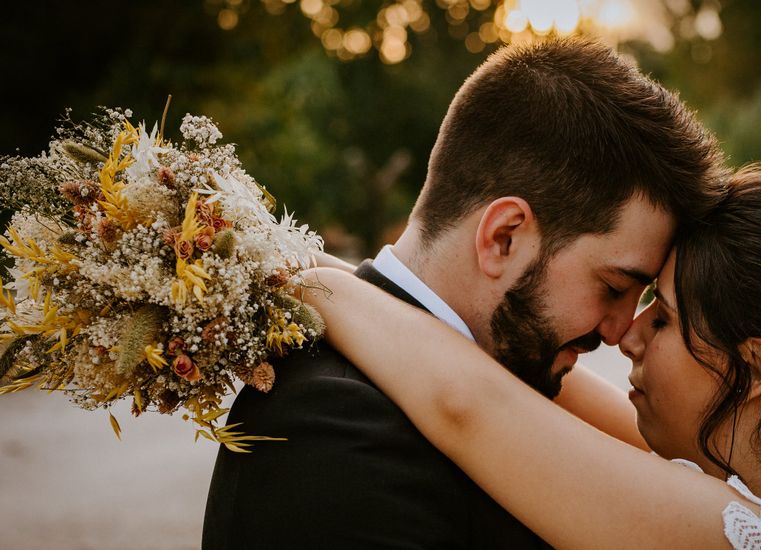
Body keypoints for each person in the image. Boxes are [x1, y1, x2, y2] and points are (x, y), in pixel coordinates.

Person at [202, 38, 726, 548]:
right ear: (503, 238)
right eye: (613, 287)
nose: (618, 332)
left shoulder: (501, 382)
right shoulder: (334, 428)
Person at [296, 166, 761, 549]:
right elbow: (507, 376)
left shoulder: (755, 540)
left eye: (666, 317)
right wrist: (299, 253)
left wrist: (289, 278)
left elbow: (470, 404)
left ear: (754, 369)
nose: (628, 335)